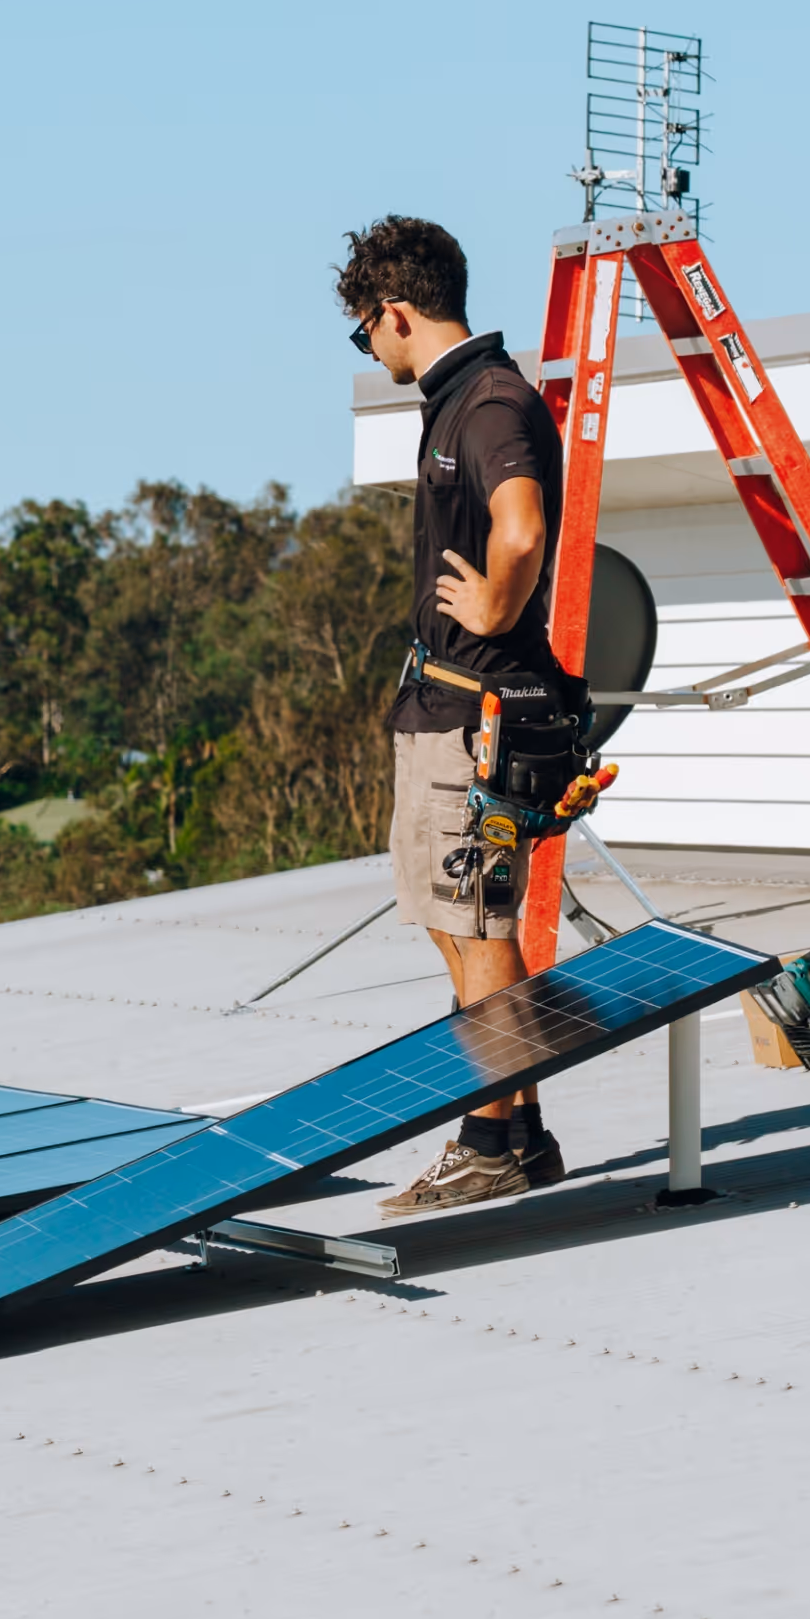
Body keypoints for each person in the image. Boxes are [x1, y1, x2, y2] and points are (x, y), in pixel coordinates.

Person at [337, 215, 571, 1215]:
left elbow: (520, 525)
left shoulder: (486, 403)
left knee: (477, 925)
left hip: (472, 719)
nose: (368, 349)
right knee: (459, 921)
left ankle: (489, 1142)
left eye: (363, 332)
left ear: (395, 310)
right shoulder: (464, 397)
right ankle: (516, 1126)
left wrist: (495, 606)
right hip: (444, 703)